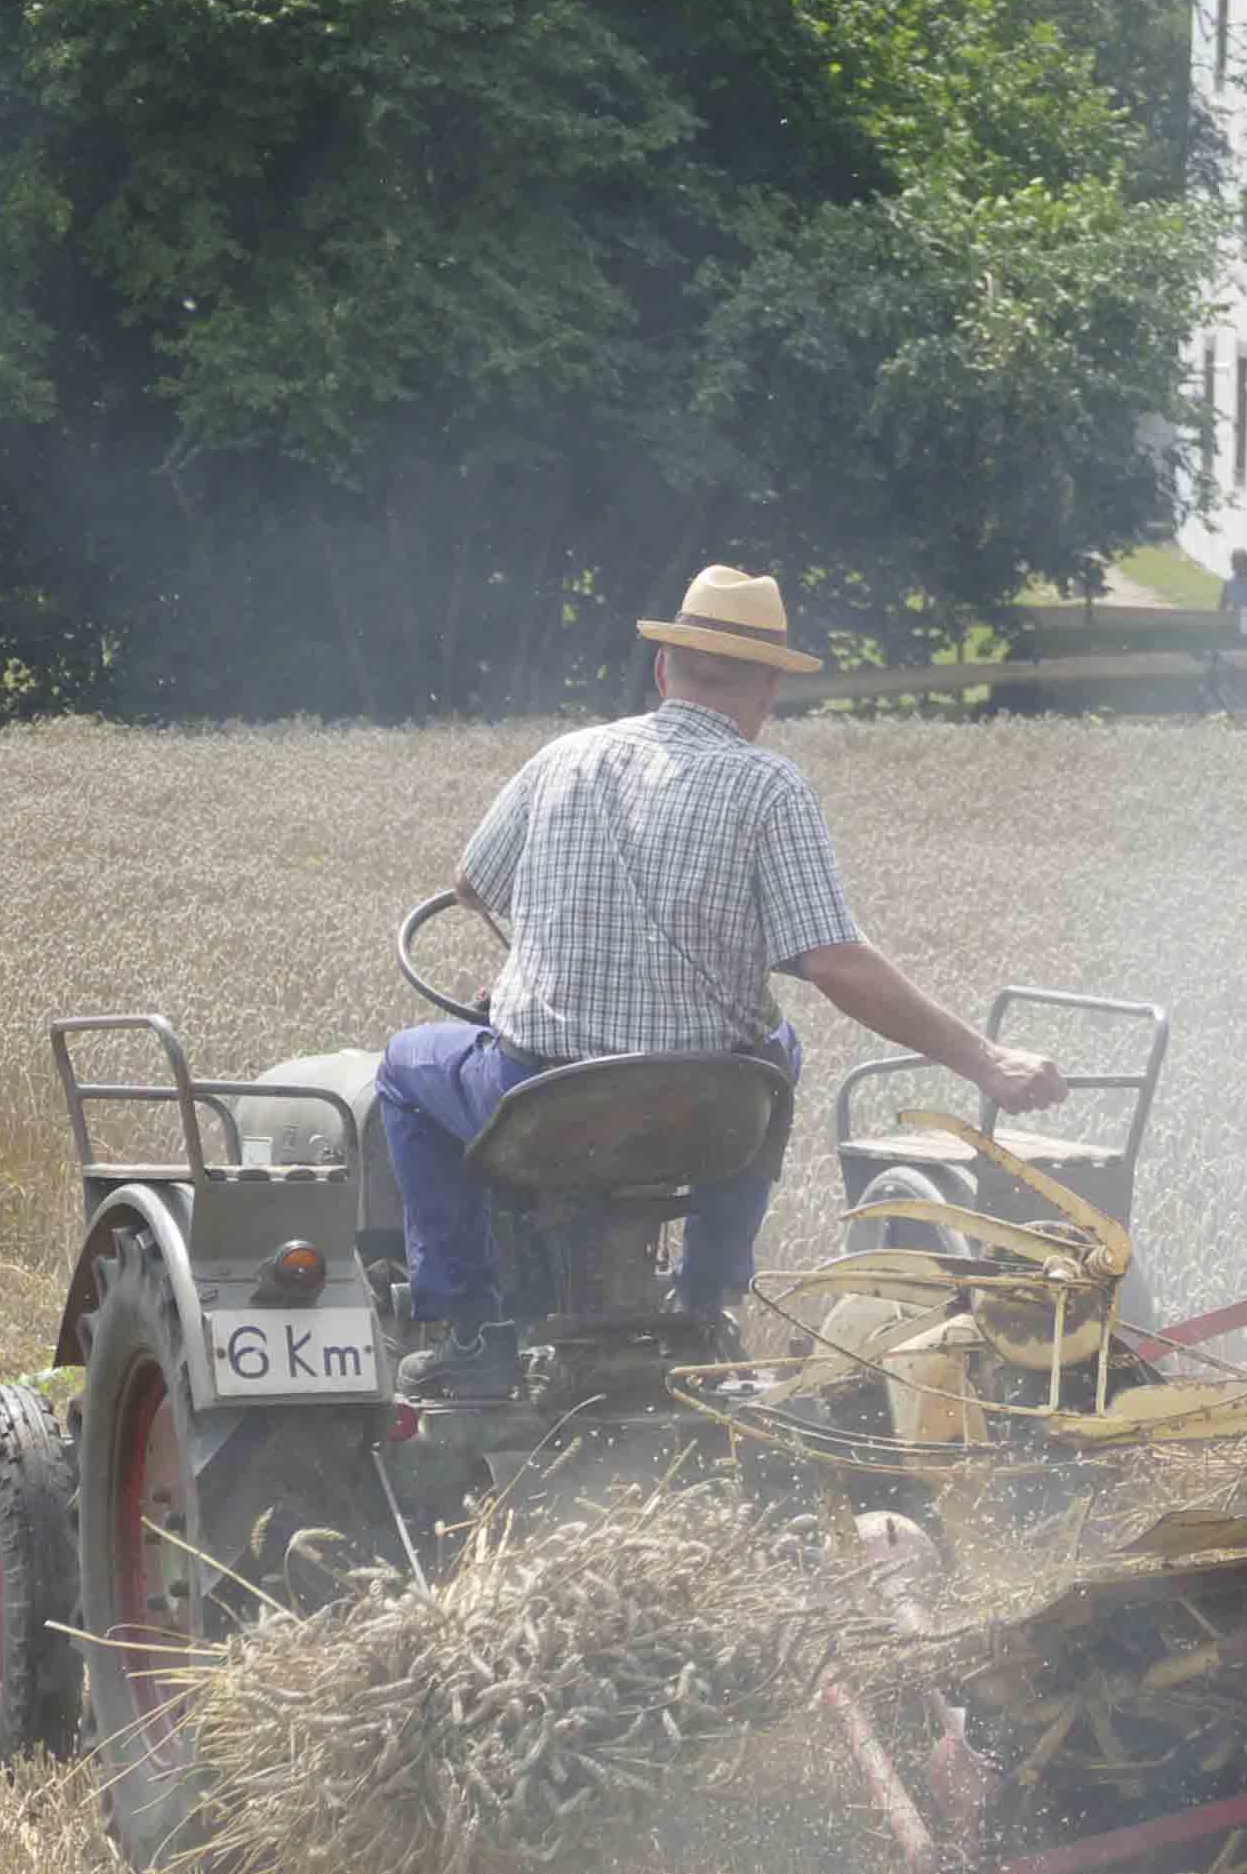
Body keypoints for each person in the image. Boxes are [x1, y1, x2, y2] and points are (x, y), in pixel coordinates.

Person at [375, 564, 1064, 1398]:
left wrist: (540, 953)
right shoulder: (769, 786)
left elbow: (473, 885)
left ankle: (473, 1327)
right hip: (705, 1111)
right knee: (778, 1050)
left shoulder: (563, 758)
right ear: (770, 687)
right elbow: (833, 960)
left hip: (538, 1100)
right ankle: (705, 1297)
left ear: (664, 670)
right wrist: (985, 1061)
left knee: (405, 1068)